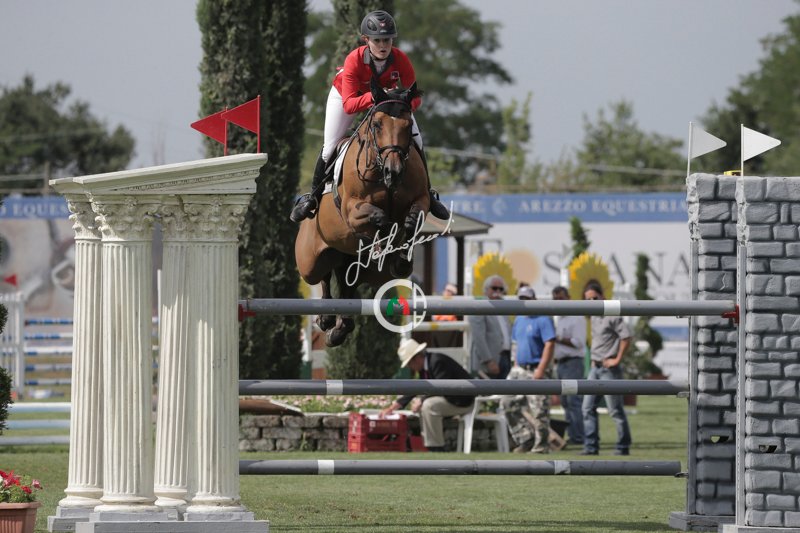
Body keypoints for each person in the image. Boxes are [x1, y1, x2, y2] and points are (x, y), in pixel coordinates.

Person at [290, 10, 449, 223]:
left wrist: (401, 103)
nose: (383, 45)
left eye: (387, 40)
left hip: (385, 101)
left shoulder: (400, 58)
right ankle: (313, 197)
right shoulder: (354, 60)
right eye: (377, 40)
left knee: (417, 140)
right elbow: (349, 105)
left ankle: (428, 192)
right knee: (330, 147)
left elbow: (416, 97)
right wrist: (375, 98)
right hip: (347, 96)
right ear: (366, 40)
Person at [380, 338, 473, 451]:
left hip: (463, 402)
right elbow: (418, 388)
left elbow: (441, 387)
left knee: (429, 405)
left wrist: (422, 400)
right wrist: (394, 407)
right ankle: (429, 445)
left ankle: (436, 448)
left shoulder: (437, 362)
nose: (409, 367)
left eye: (409, 363)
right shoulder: (427, 365)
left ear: (417, 358)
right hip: (453, 400)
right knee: (426, 404)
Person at [501, 285, 556, 453]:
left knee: (539, 411)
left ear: (534, 299)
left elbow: (550, 344)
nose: (524, 302)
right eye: (521, 299)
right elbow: (515, 343)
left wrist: (541, 369)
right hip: (519, 368)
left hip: (536, 368)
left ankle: (541, 446)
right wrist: (515, 363)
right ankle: (525, 438)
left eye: (527, 299)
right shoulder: (519, 319)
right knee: (507, 402)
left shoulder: (543, 319)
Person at [581, 281, 633, 456]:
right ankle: (591, 447)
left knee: (615, 410)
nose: (592, 302)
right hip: (595, 367)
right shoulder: (593, 316)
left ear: (603, 296)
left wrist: (616, 359)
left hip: (609, 369)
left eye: (595, 298)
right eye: (588, 300)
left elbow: (626, 337)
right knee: (587, 408)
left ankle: (623, 447)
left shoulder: (612, 314)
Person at [551, 285, 587, 446]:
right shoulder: (558, 318)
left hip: (573, 362)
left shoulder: (576, 317)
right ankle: (574, 435)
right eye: (556, 299)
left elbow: (579, 343)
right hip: (562, 363)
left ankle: (578, 436)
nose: (558, 301)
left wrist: (558, 339)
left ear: (569, 298)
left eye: (561, 298)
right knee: (566, 402)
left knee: (573, 401)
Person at [468, 275, 511, 379]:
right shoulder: (479, 307)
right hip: (487, 363)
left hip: (504, 357)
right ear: (486, 290)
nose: (498, 291)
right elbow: (478, 338)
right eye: (494, 288)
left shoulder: (504, 308)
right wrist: (488, 361)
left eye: (501, 289)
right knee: (487, 389)